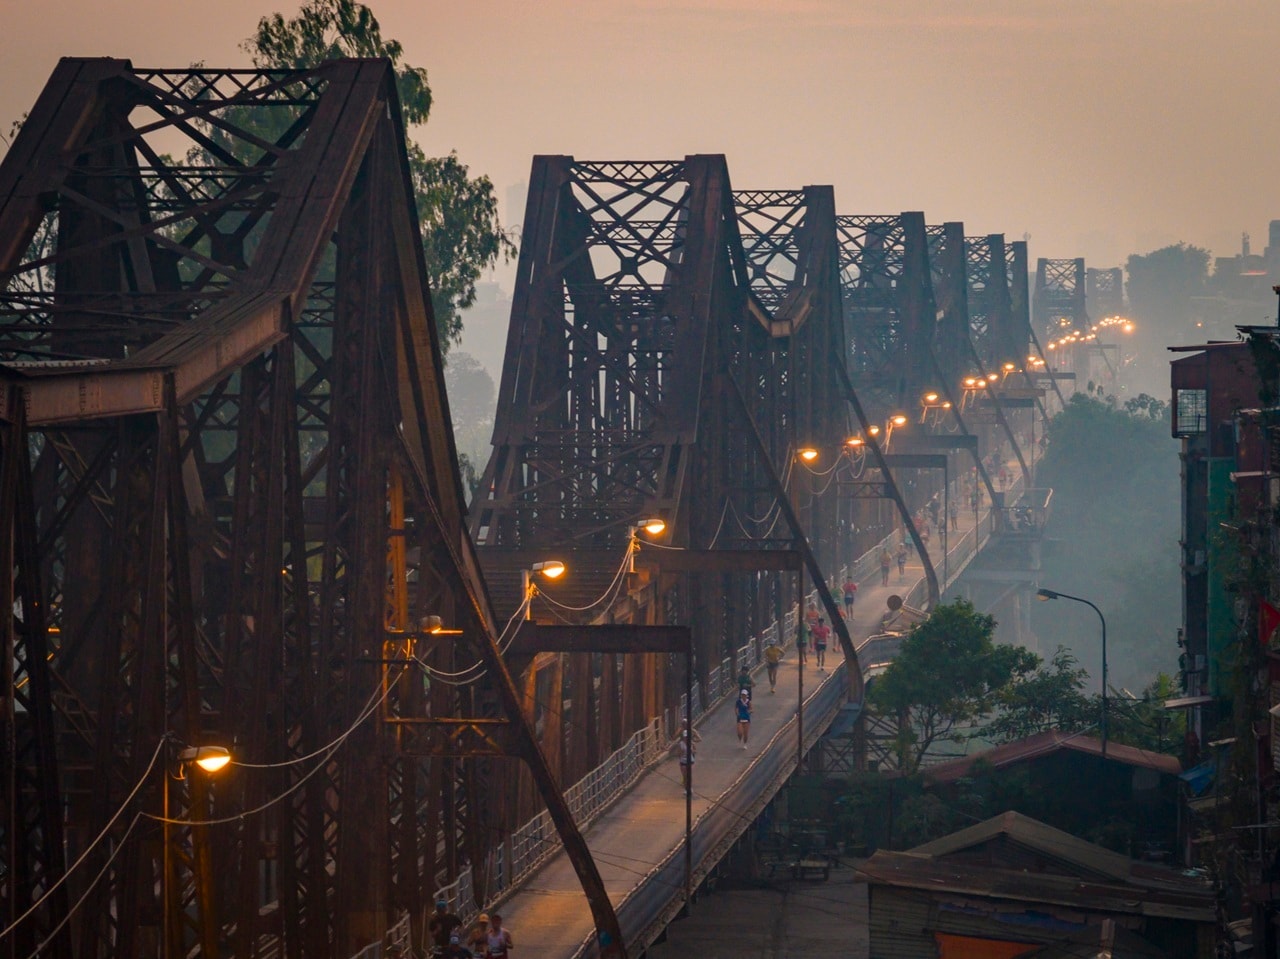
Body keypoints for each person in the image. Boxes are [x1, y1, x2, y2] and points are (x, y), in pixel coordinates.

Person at [677, 720, 700, 789]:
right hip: (682, 749)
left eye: (685, 724)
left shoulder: (693, 731)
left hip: (690, 751)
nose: (685, 726)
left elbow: (699, 739)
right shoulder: (681, 731)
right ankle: (685, 778)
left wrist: (692, 741)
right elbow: (674, 737)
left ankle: (688, 781)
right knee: (683, 768)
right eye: (683, 724)